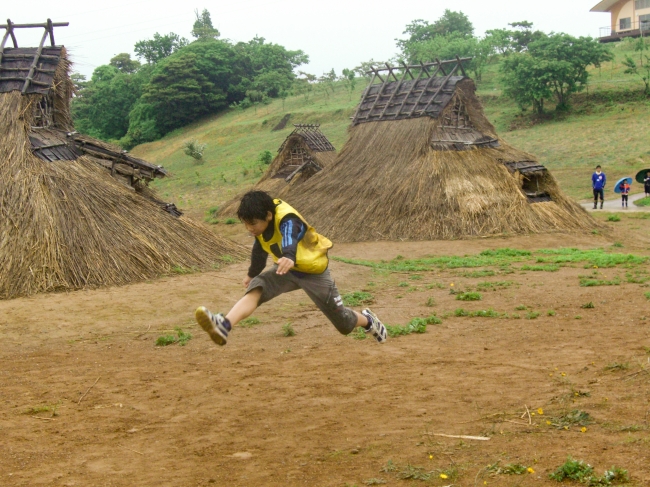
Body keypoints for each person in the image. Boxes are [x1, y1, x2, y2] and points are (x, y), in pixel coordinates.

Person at [195, 190, 387, 346]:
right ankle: (224, 325)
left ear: (268, 216)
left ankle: (368, 320)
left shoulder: (287, 218)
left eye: (252, 223)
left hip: (314, 273)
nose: (249, 228)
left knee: (344, 324)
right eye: (245, 224)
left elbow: (290, 234)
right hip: (286, 270)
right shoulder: (260, 228)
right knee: (257, 285)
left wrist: (288, 255)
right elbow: (260, 249)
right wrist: (252, 273)